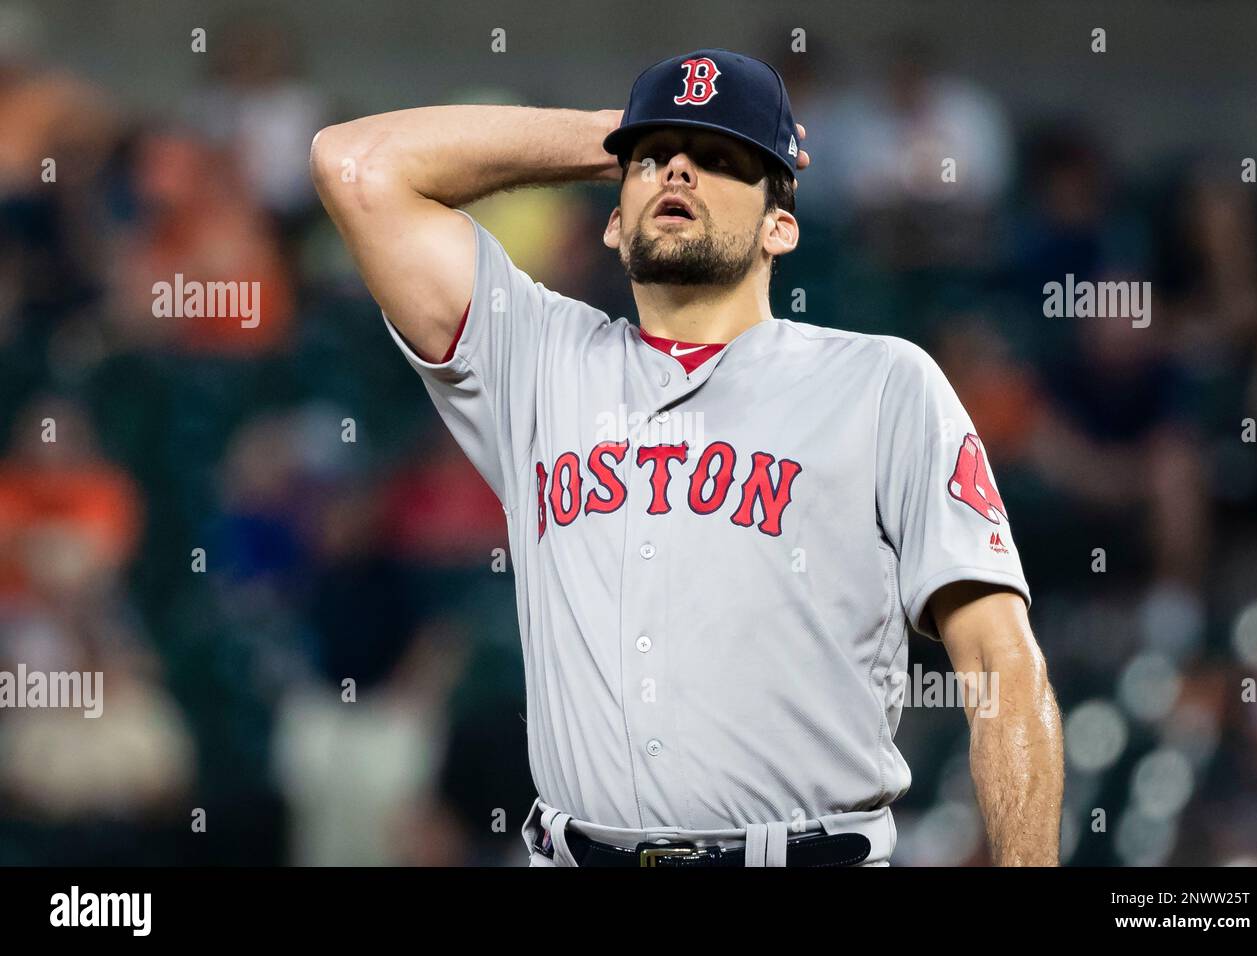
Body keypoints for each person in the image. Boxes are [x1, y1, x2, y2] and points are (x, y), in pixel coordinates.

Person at [311, 48, 1063, 867]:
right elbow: (354, 166)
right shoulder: (536, 362)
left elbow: (999, 662)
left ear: (781, 224)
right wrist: (608, 136)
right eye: (654, 160)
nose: (678, 169)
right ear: (610, 212)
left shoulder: (883, 384)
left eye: (718, 158)